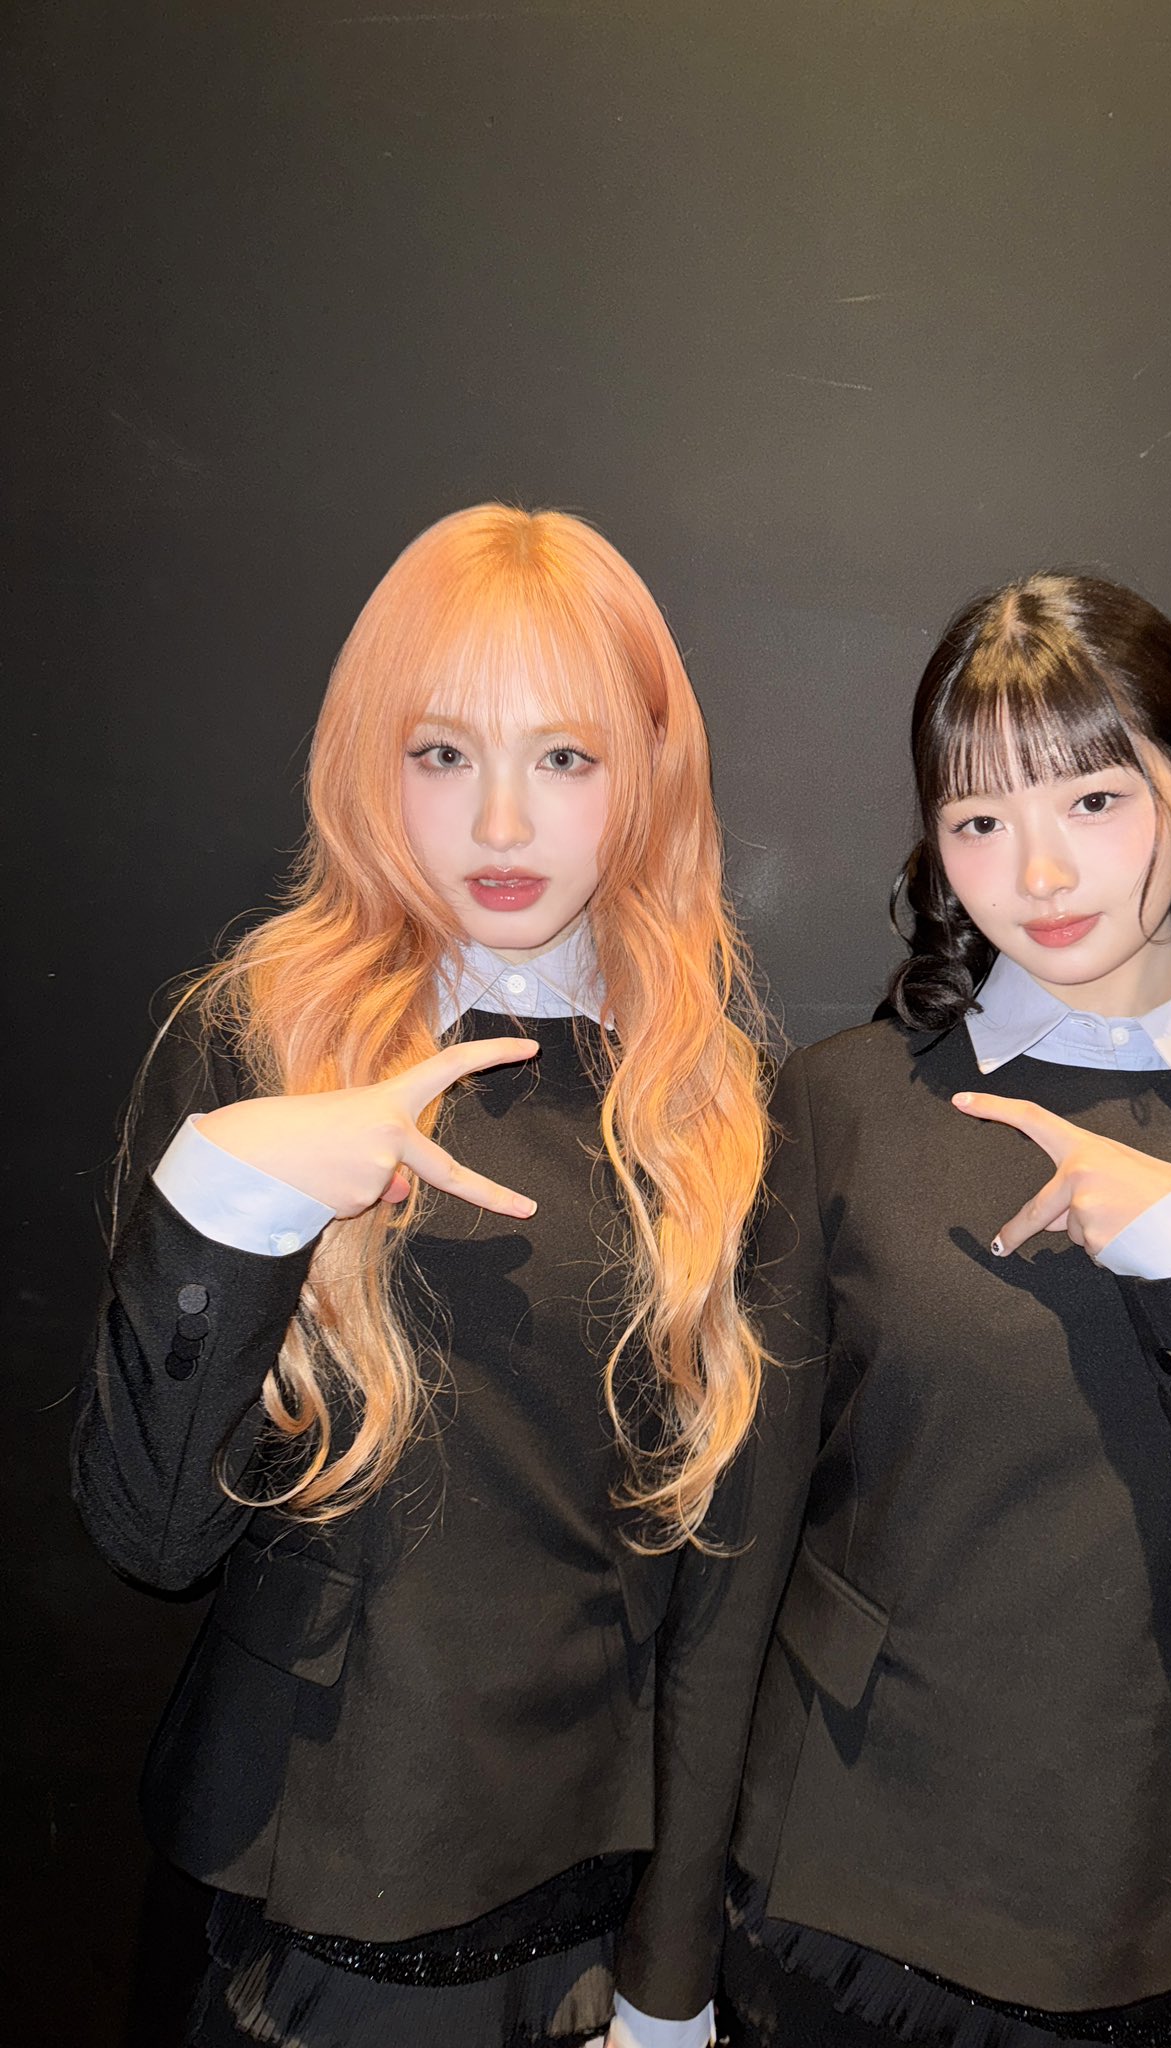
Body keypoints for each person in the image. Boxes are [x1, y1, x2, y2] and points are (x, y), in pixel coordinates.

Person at [648, 572, 1171, 2047]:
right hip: (849, 1897)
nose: (1042, 872)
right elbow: (731, 1563)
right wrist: (664, 1972)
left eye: (1094, 799)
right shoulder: (839, 1107)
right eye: (980, 821)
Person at [71, 503, 768, 2048]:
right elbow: (149, 1533)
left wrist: (675, 1973)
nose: (500, 824)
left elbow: (718, 1583)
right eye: (444, 753)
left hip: (588, 1899)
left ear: (648, 771)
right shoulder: (257, 1037)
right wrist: (244, 1196)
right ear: (368, 760)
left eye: (563, 758)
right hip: (301, 1894)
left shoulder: (706, 1098)